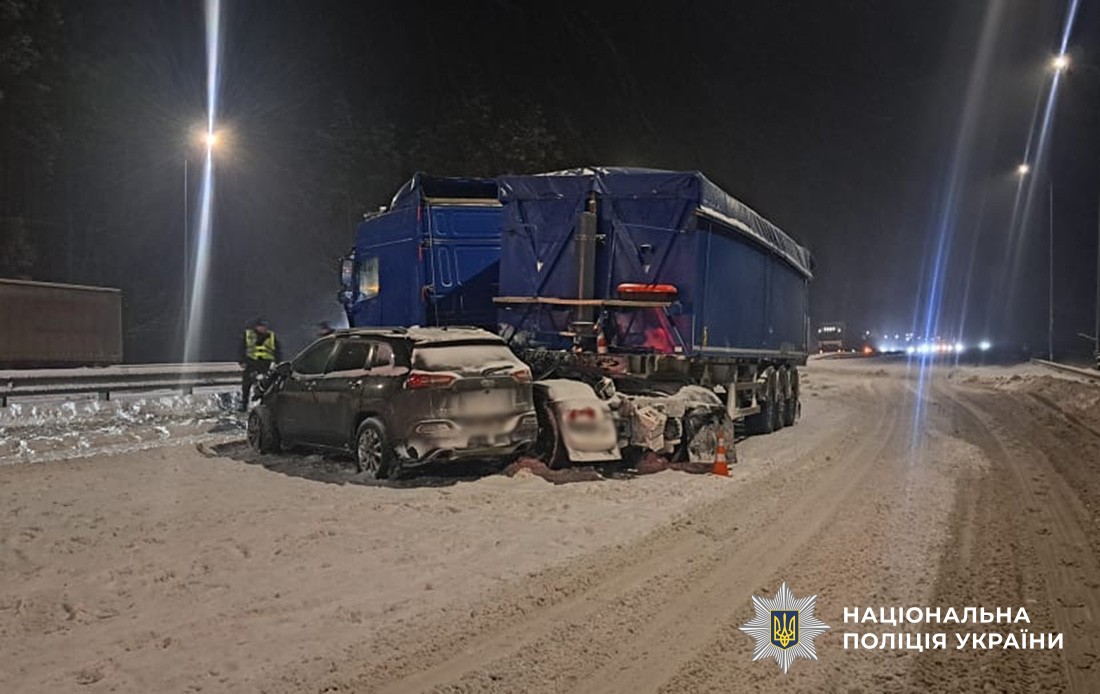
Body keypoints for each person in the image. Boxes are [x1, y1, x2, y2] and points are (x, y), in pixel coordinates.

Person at [240, 318, 279, 411]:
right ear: (256, 327)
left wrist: (277, 362)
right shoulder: (248, 335)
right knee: (246, 385)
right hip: (251, 362)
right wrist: (242, 361)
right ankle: (244, 405)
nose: (263, 328)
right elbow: (242, 348)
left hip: (265, 364)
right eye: (261, 326)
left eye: (265, 326)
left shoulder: (271, 336)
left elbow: (277, 350)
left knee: (266, 385)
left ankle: (263, 404)